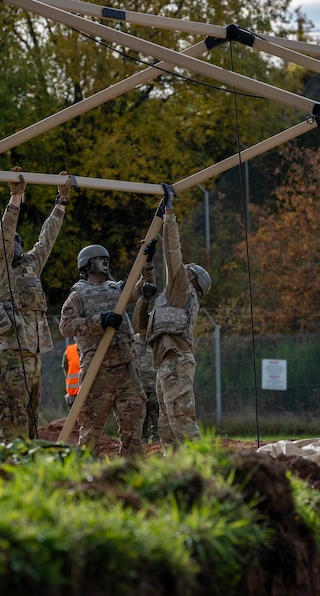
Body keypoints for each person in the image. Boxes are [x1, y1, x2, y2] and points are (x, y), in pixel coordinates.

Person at [0, 167, 70, 443]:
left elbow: (47, 238)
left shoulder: (31, 265)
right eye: (11, 243)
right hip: (12, 354)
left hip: (34, 354)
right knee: (12, 415)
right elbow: (6, 236)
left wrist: (61, 202)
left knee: (32, 415)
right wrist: (16, 198)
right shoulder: (0, 273)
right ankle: (10, 463)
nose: (16, 245)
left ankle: (29, 463)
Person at [133, 184, 210, 449]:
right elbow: (141, 328)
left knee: (182, 423)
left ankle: (206, 469)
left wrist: (169, 214)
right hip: (165, 365)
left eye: (186, 271)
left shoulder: (183, 291)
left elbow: (173, 253)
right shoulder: (172, 299)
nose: (181, 271)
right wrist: (145, 296)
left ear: (192, 280)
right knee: (166, 427)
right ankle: (175, 473)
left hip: (176, 363)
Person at [58, 244, 146, 459]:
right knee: (91, 430)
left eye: (107, 259)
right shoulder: (78, 295)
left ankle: (131, 472)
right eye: (100, 259)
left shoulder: (118, 289)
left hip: (126, 367)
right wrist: (99, 321)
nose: (105, 263)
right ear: (87, 265)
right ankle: (89, 476)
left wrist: (148, 263)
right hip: (98, 371)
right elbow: (66, 326)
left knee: (133, 425)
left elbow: (140, 288)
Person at [134, 333, 160, 444]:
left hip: (155, 386)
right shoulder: (134, 340)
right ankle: (143, 442)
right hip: (139, 387)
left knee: (157, 417)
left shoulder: (156, 340)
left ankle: (157, 442)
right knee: (141, 417)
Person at [62, 342, 80, 408]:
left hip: (92, 395)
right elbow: (65, 367)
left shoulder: (96, 349)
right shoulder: (70, 351)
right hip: (74, 396)